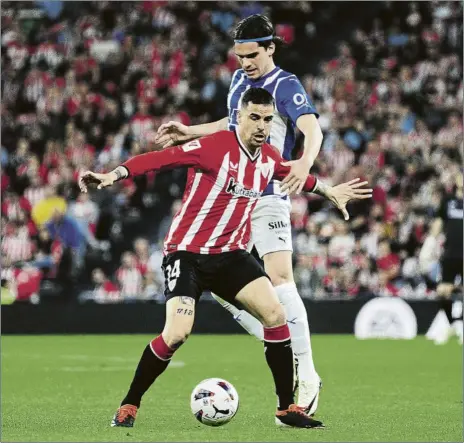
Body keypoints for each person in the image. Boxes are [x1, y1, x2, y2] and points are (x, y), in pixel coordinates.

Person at [79, 88, 372, 429]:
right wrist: (112, 175)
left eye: (268, 120)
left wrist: (329, 190)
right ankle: (129, 404)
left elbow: (298, 177)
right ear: (239, 118)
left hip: (230, 256)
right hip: (187, 254)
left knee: (276, 315)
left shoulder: (268, 159)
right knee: (177, 334)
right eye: (254, 118)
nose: (261, 126)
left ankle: (286, 408)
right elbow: (158, 160)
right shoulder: (214, 146)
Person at [155, 14, 325, 413]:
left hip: (268, 193)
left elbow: (312, 128)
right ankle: (280, 338)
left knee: (280, 277)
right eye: (239, 55)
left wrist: (303, 162)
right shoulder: (238, 83)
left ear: (270, 48)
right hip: (234, 196)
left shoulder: (285, 85)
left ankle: (306, 370)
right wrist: (190, 131)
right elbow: (229, 125)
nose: (244, 62)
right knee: (218, 284)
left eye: (251, 55)